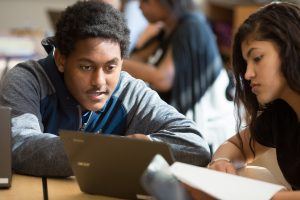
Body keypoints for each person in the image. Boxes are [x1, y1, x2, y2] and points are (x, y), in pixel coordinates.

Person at [0, 1, 211, 177]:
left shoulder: (129, 91)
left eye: (111, 67)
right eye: (86, 67)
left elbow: (195, 146)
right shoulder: (27, 80)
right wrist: (115, 151)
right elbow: (18, 146)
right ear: (61, 59)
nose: (99, 81)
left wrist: (140, 145)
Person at [208, 2, 300, 199]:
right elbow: (236, 145)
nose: (247, 74)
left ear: (290, 49)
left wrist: (267, 196)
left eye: (257, 58)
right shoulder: (282, 114)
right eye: (246, 63)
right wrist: (221, 161)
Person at [123, 0, 236, 151]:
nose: (139, 6)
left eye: (146, 1)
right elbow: (136, 59)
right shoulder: (166, 30)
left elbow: (163, 78)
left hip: (204, 130)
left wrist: (114, 62)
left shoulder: (191, 26)